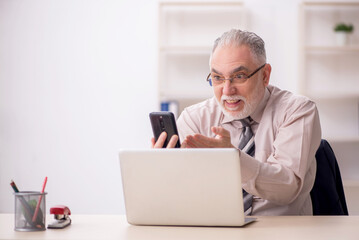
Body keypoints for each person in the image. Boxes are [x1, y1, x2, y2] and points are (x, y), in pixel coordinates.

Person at [152, 29, 321, 216]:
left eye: (239, 76)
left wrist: (233, 159)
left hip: (281, 231)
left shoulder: (297, 110)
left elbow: (287, 188)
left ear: (265, 75)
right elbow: (182, 196)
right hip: (215, 229)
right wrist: (163, 174)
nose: (227, 90)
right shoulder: (194, 119)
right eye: (217, 78)